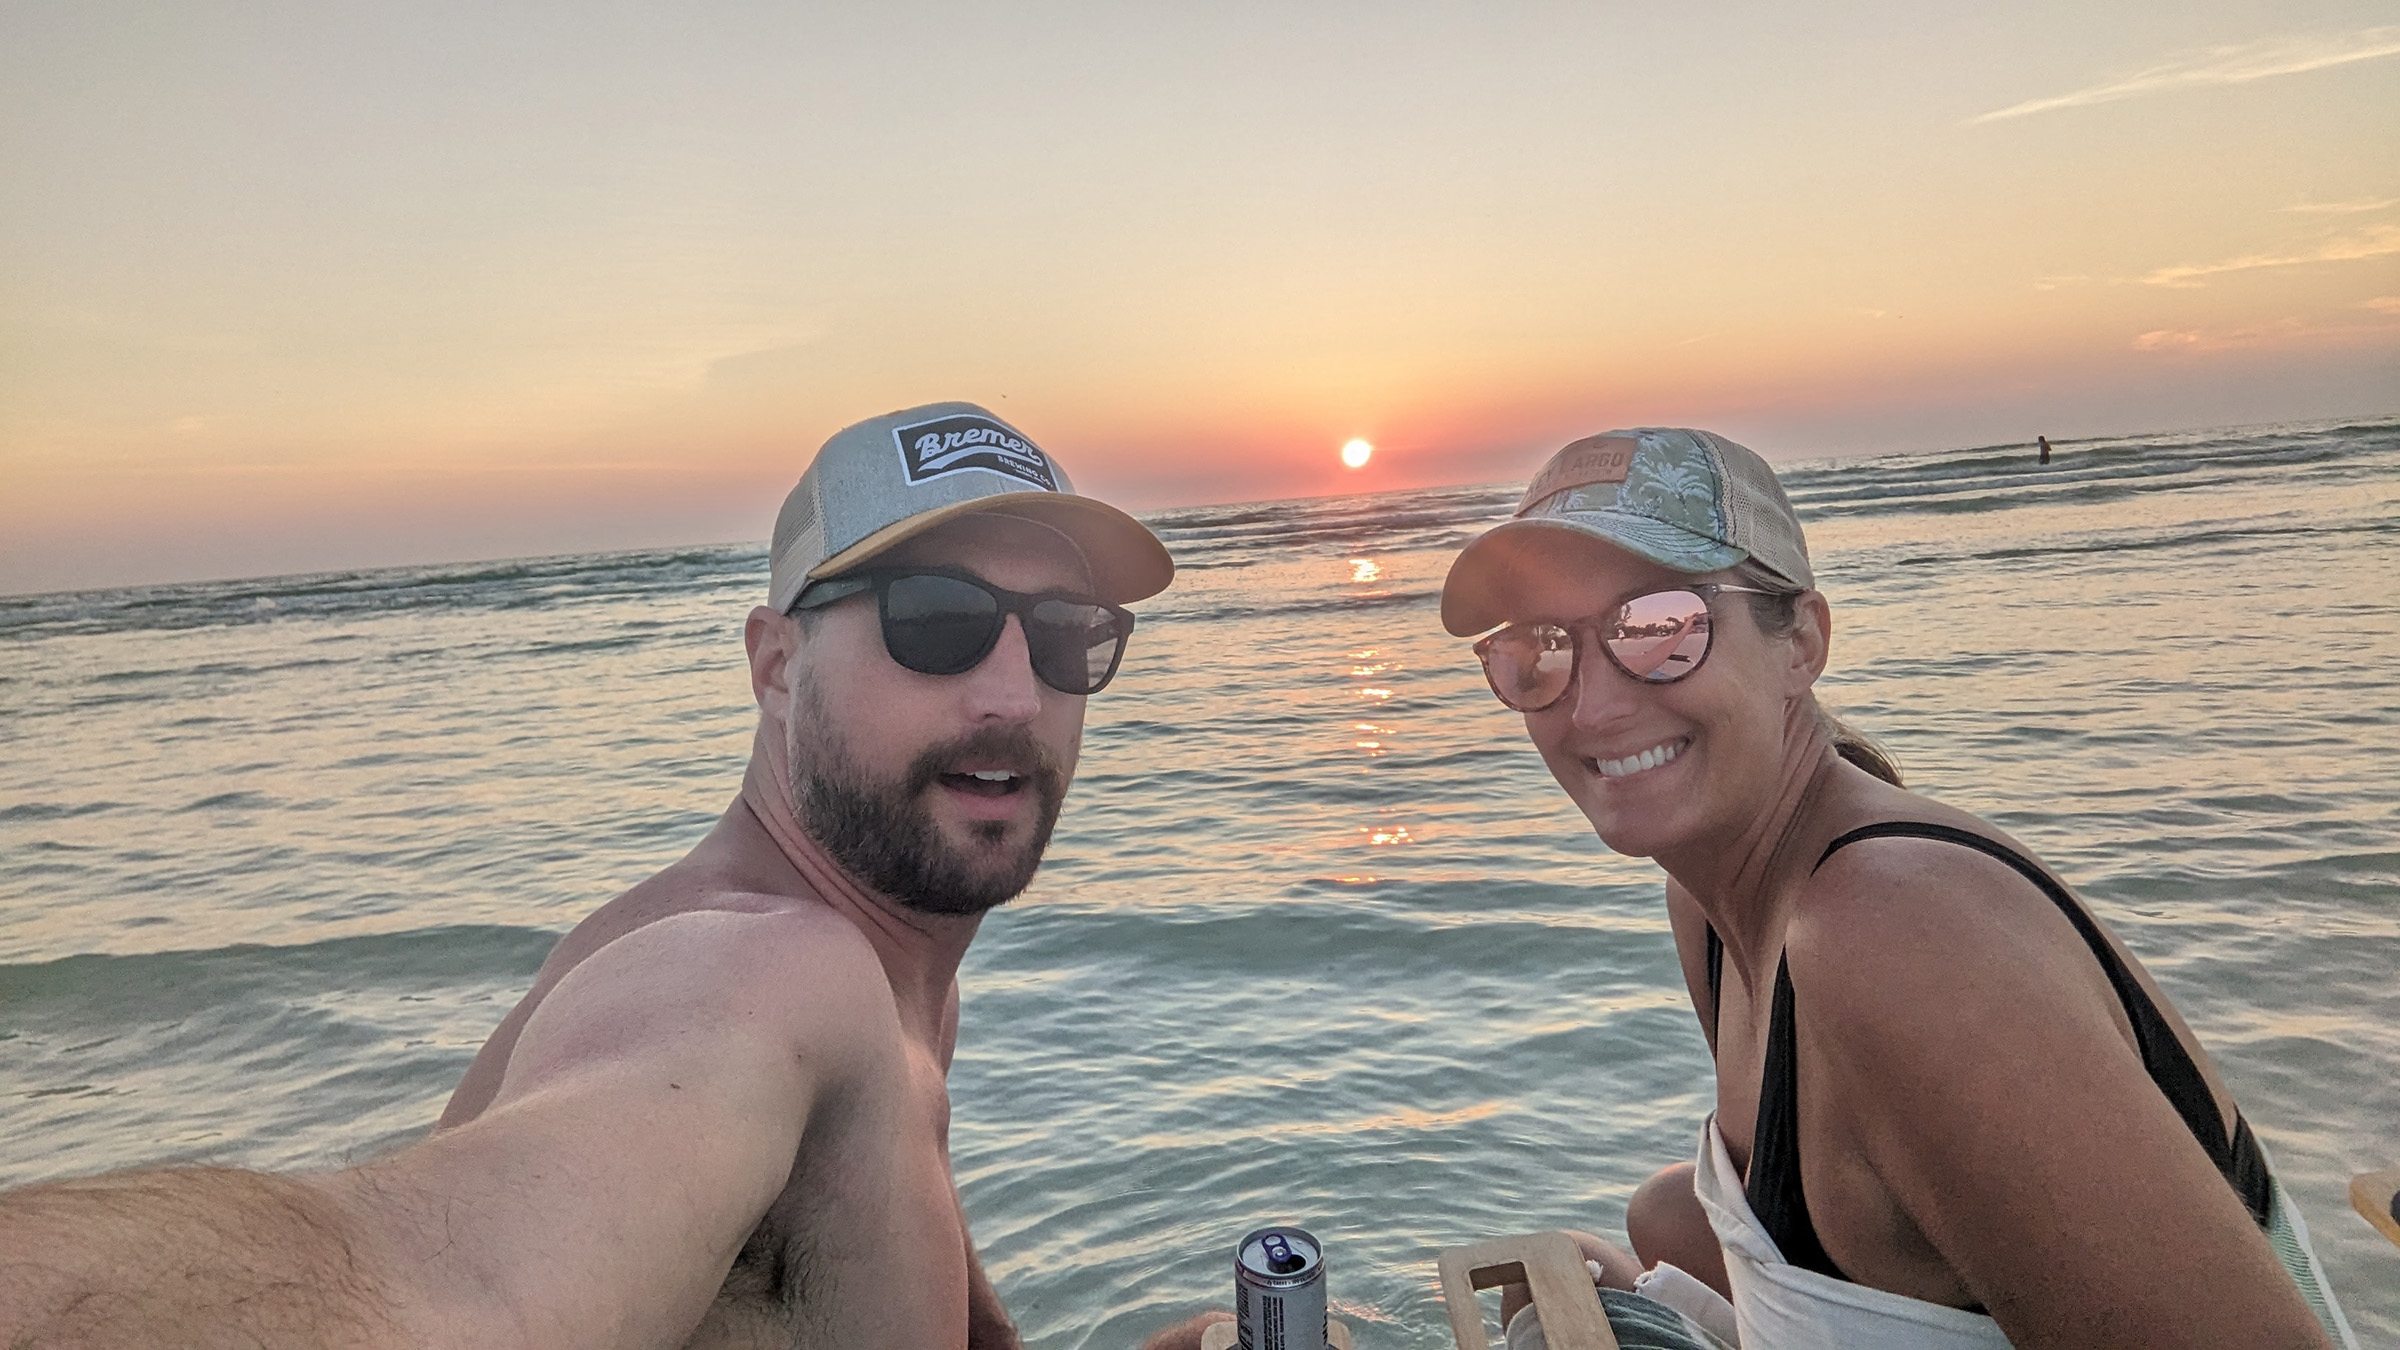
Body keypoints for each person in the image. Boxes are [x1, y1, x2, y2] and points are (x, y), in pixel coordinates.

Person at [0, 401, 1175, 1350]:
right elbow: (444, 1293)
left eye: (1065, 633)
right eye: (937, 619)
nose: (1017, 695)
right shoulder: (762, 973)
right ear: (775, 668)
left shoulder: (899, 975)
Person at [1432, 427, 2357, 1349]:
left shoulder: (1893, 931)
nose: (1590, 703)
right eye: (1539, 647)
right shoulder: (1715, 907)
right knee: (1645, 1230)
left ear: (1801, 641)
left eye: (1662, 626)